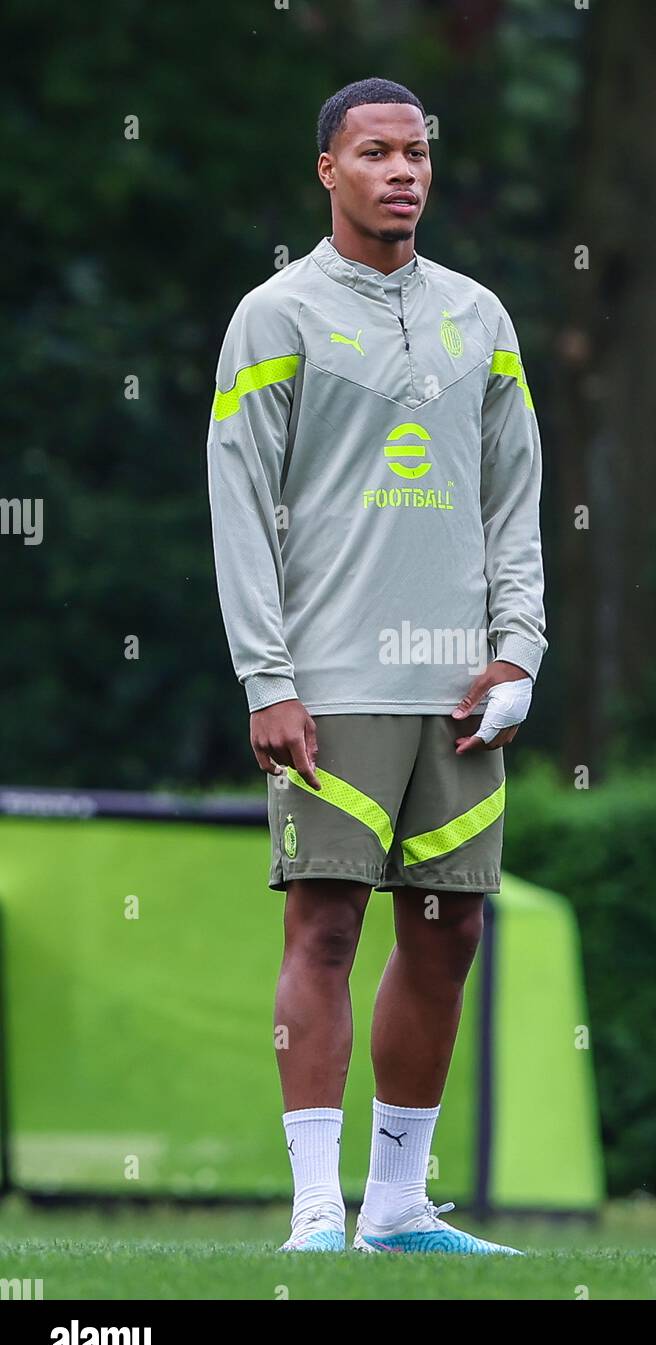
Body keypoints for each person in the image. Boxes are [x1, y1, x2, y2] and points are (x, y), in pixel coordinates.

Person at [206, 76, 546, 1255]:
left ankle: (397, 1208)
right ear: (328, 172)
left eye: (416, 154)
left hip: (457, 690)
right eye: (375, 154)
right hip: (331, 680)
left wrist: (518, 651)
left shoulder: (480, 318)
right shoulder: (275, 314)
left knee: (447, 931)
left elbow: (516, 502)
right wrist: (267, 675)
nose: (402, 172)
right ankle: (314, 1211)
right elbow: (239, 505)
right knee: (327, 929)